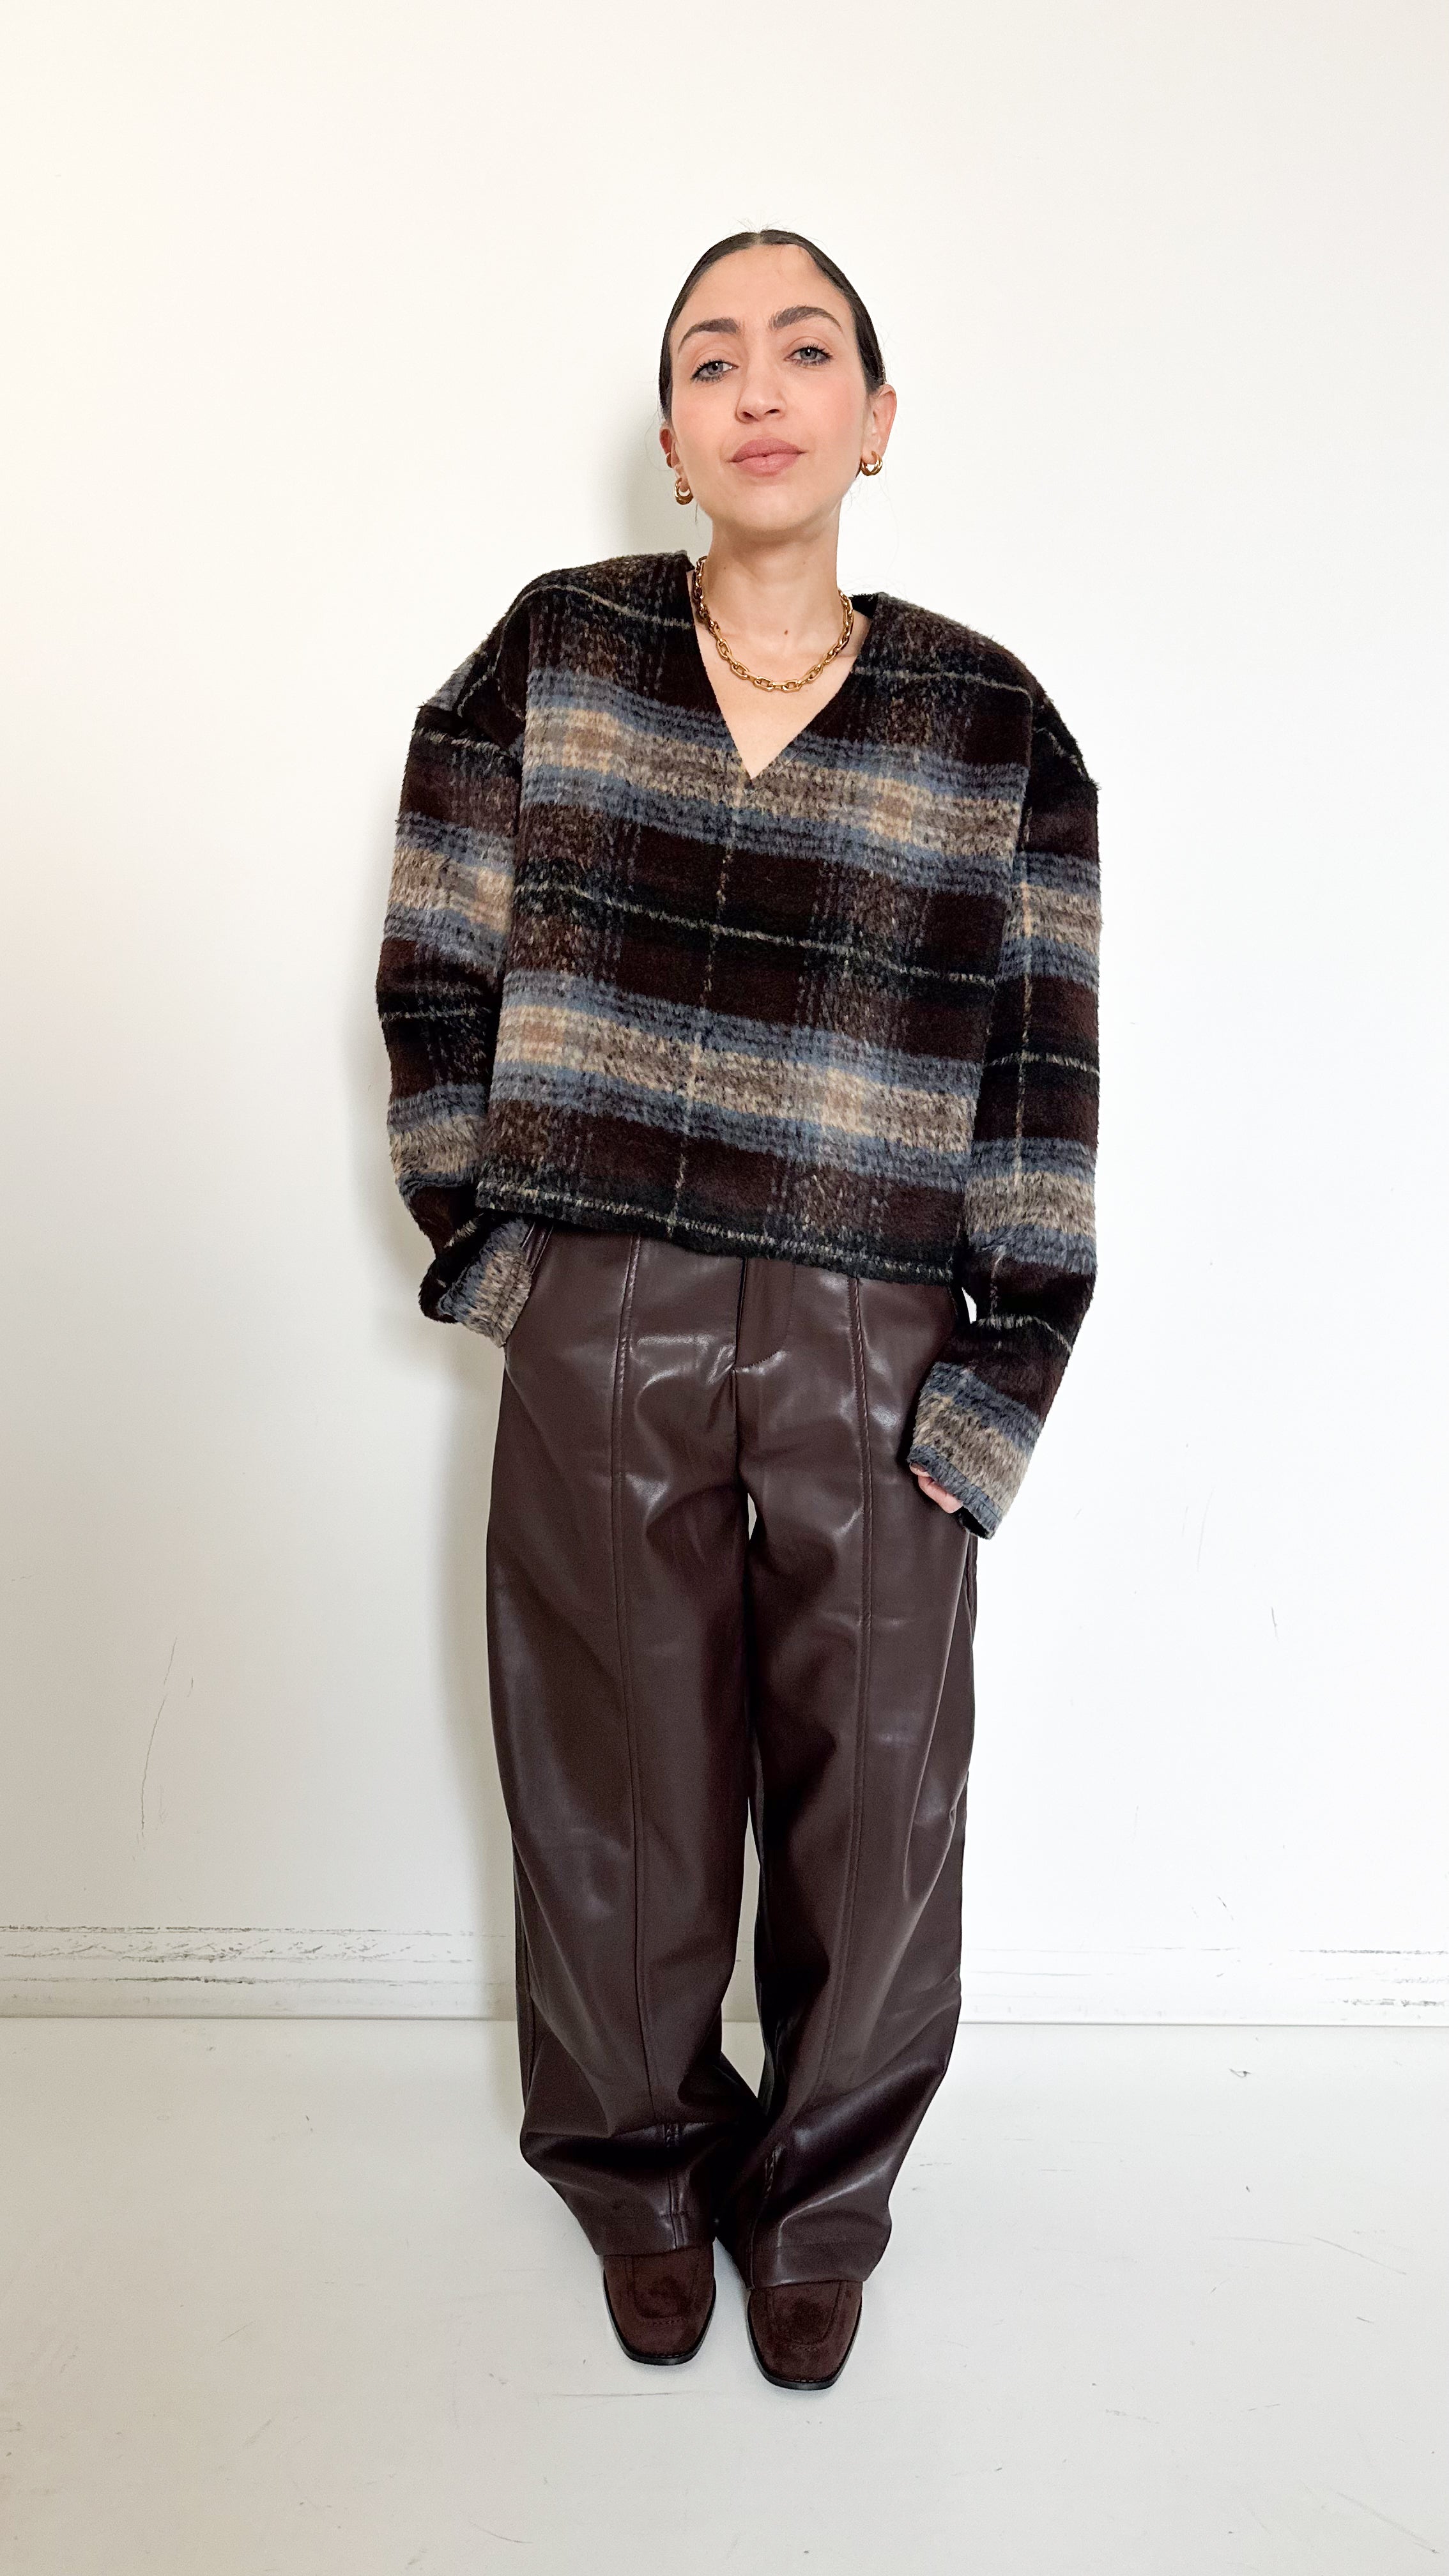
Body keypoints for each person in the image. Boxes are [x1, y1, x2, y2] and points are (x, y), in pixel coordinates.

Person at [376, 229, 1100, 2391]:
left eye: (804, 350)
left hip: (879, 1328)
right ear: (673, 435)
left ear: (873, 422)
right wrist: (505, 1257)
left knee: (878, 1799)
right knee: (613, 1781)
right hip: (607, 1303)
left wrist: (1003, 1368)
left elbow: (1041, 1076)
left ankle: (820, 2205)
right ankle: (634, 2178)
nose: (757, 386)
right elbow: (434, 968)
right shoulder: (554, 655)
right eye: (710, 359)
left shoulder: (990, 723)